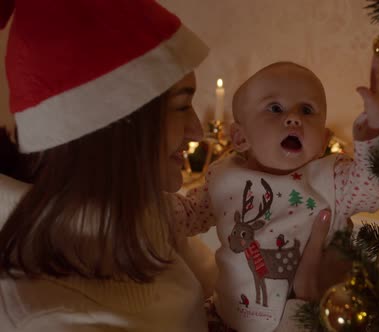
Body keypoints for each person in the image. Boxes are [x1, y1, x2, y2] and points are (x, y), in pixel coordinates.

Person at [0, 1, 332, 331]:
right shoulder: (50, 319)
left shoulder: (145, 216)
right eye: (181, 106)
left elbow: (228, 298)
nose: (197, 131)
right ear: (116, 128)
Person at [170, 54, 379, 331]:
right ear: (240, 137)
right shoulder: (224, 176)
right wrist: (140, 205)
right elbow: (188, 215)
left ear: (322, 141)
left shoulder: (331, 178)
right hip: (226, 317)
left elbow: (373, 187)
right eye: (275, 108)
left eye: (307, 110)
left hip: (301, 319)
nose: (294, 118)